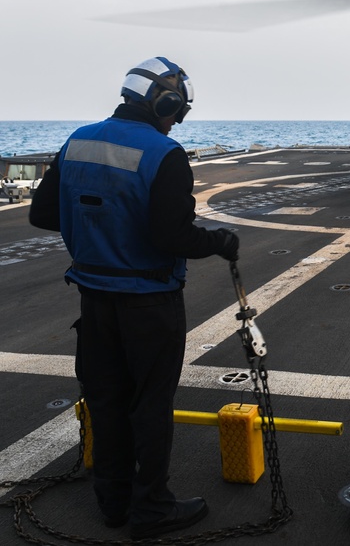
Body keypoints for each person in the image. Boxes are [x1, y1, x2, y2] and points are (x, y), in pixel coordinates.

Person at [29, 57, 239, 540]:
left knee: (106, 400)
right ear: (165, 103)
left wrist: (98, 230)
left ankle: (113, 501)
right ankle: (152, 510)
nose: (175, 120)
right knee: (150, 405)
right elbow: (173, 237)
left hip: (94, 301)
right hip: (149, 302)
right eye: (176, 111)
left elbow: (43, 214)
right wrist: (221, 242)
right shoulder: (164, 153)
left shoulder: (77, 140)